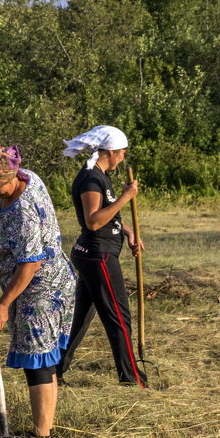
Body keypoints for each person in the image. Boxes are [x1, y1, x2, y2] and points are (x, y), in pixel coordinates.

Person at [0, 146, 75, 438]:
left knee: (37, 362)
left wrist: (3, 304)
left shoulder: (24, 210)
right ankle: (46, 428)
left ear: (11, 174)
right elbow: (12, 219)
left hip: (39, 293)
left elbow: (30, 263)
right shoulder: (28, 178)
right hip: (53, 285)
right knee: (44, 360)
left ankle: (41, 436)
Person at [56, 125, 147, 388]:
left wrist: (127, 230)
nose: (123, 158)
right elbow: (93, 221)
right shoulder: (91, 179)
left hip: (96, 254)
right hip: (98, 256)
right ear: (112, 151)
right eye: (123, 153)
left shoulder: (100, 174)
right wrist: (126, 197)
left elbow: (107, 215)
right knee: (119, 316)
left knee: (81, 316)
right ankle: (132, 379)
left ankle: (56, 369)